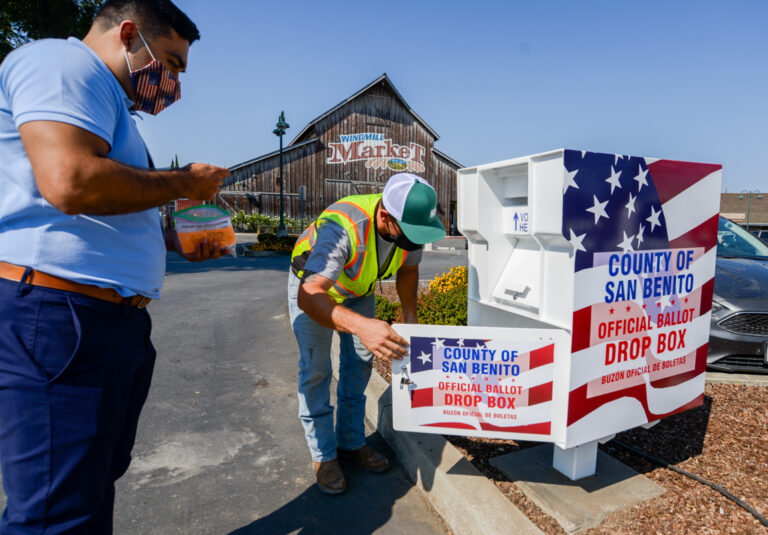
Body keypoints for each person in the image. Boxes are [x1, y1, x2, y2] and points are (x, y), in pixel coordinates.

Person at [0, 0, 229, 532]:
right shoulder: (61, 64)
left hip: (99, 321)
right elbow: (72, 182)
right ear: (129, 35)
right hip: (62, 317)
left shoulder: (105, 99)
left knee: (90, 485)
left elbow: (97, 205)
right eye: (171, 62)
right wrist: (186, 184)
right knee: (56, 511)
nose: (172, 83)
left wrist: (171, 240)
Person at [289, 173, 446, 494]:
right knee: (317, 370)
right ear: (385, 217)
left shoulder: (408, 229)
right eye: (411, 234)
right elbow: (309, 294)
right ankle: (324, 456)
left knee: (359, 365)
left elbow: (409, 269)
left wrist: (411, 318)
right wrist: (362, 326)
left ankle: (350, 442)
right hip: (314, 291)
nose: (416, 242)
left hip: (357, 289)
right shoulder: (343, 227)